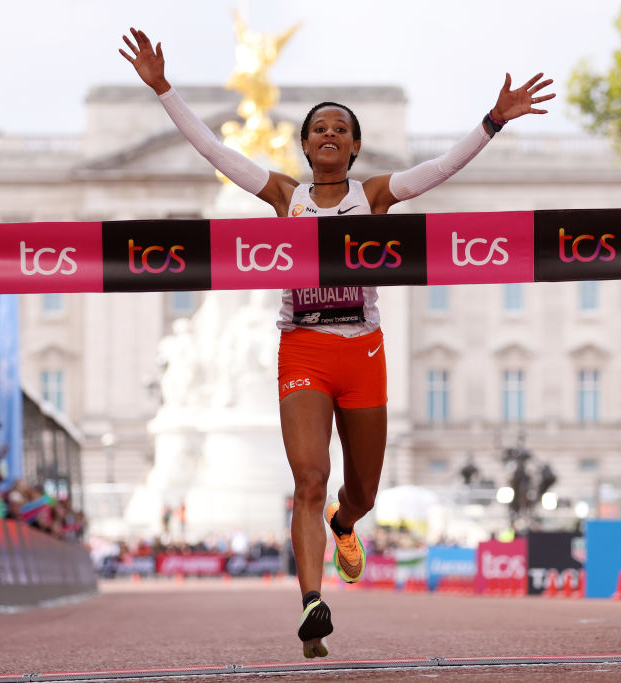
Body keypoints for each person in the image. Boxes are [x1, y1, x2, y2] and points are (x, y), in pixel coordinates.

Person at [120, 27, 554, 658]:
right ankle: (311, 602)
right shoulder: (282, 196)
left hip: (363, 351)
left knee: (362, 491)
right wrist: (164, 89)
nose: (327, 134)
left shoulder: (372, 197)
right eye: (317, 127)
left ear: (353, 147)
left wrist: (492, 121)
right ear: (303, 145)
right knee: (309, 478)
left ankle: (346, 525)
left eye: (339, 129)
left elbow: (436, 171)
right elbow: (217, 153)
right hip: (303, 347)